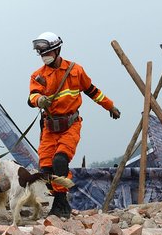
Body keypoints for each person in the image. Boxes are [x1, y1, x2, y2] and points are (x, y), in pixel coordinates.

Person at [28, 32, 121, 218]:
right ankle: (58, 203)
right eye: (41, 54)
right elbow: (32, 97)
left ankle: (61, 204)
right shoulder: (38, 76)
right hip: (49, 128)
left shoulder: (75, 71)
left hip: (70, 125)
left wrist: (110, 106)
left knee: (60, 161)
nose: (44, 57)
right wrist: (40, 101)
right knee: (46, 168)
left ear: (57, 50)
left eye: (46, 53)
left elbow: (92, 91)